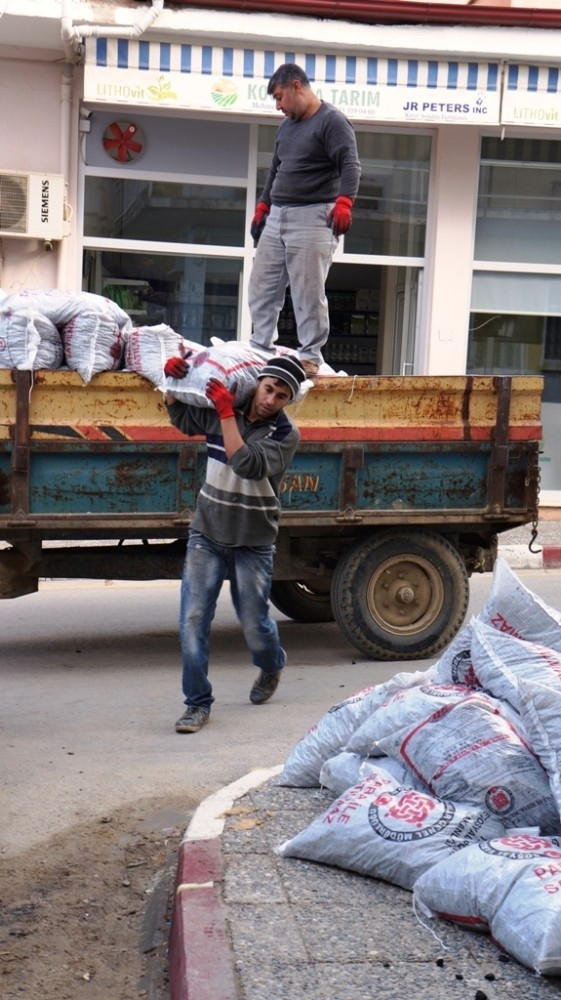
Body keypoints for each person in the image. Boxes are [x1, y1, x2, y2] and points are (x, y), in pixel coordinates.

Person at [164, 353, 306, 733]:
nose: (269, 399)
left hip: (253, 541)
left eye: (280, 395)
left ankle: (272, 663)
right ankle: (197, 704)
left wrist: (226, 414)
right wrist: (173, 385)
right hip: (207, 531)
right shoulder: (230, 407)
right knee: (193, 620)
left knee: (254, 623)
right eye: (268, 388)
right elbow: (180, 418)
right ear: (258, 383)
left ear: (287, 402)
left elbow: (246, 463)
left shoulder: (285, 435)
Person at [248, 63, 362, 378]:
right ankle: (260, 347)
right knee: (261, 286)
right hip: (278, 215)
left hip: (313, 216)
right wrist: (263, 205)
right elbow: (275, 169)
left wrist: (344, 201)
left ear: (297, 86)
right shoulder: (286, 127)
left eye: (280, 97)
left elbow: (351, 164)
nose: (278, 106)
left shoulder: (332, 121)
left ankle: (310, 355)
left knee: (307, 290)